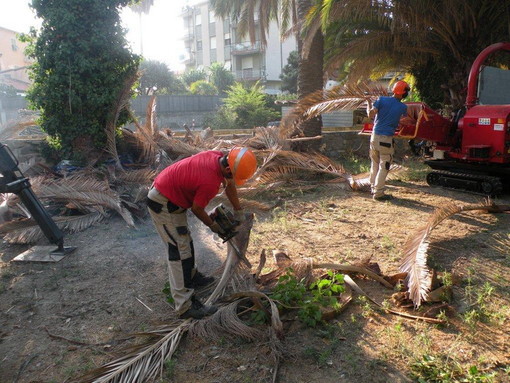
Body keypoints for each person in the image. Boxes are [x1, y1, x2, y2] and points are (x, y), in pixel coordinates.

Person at [147, 147, 257, 319]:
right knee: (179, 251)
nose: (232, 179)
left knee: (185, 241)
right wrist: (213, 225)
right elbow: (197, 209)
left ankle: (191, 276)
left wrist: (238, 211)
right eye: (232, 175)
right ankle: (185, 306)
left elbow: (229, 185)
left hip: (172, 197)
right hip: (163, 202)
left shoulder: (220, 157)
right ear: (228, 168)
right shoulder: (210, 182)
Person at [366, 80, 410, 201]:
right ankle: (379, 193)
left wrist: (369, 102)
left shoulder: (381, 100)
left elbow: (370, 114)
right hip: (386, 139)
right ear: (404, 93)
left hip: (374, 137)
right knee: (384, 165)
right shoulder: (402, 107)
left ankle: (372, 188)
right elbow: (406, 121)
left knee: (374, 163)